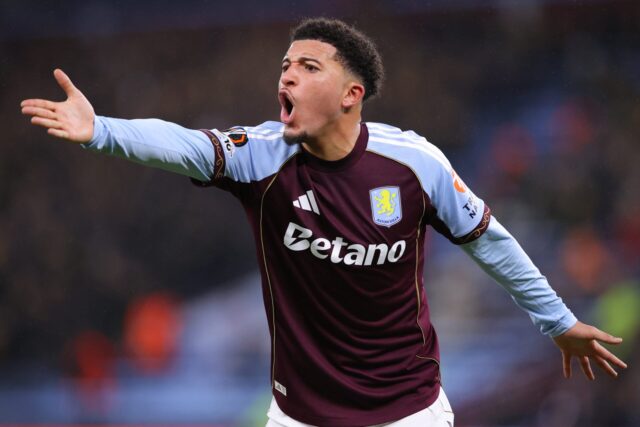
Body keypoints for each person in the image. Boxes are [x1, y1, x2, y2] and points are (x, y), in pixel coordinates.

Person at [21, 17, 627, 427]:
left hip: (408, 414)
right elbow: (181, 144)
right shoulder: (261, 156)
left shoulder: (414, 164)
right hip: (299, 417)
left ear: (351, 94)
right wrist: (101, 130)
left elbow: (489, 242)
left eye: (309, 67)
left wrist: (558, 321)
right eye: (285, 65)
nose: (287, 75)